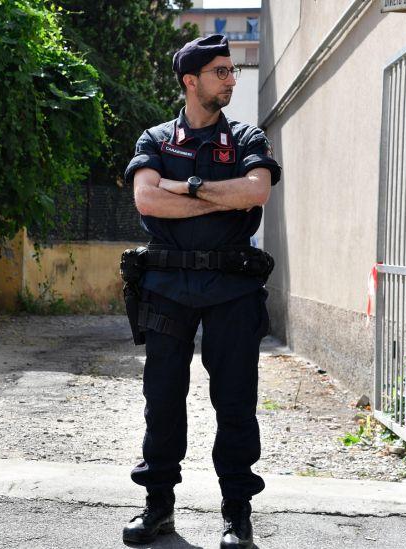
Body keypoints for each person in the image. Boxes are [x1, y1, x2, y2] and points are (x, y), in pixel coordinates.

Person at [121, 34, 281, 548]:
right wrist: (220, 198)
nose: (231, 79)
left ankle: (236, 511)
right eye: (221, 72)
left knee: (235, 400)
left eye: (232, 70)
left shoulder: (248, 138)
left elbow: (256, 191)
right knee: (162, 400)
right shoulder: (155, 139)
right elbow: (147, 201)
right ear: (191, 81)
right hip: (167, 287)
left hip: (232, 287)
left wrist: (185, 187)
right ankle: (158, 508)